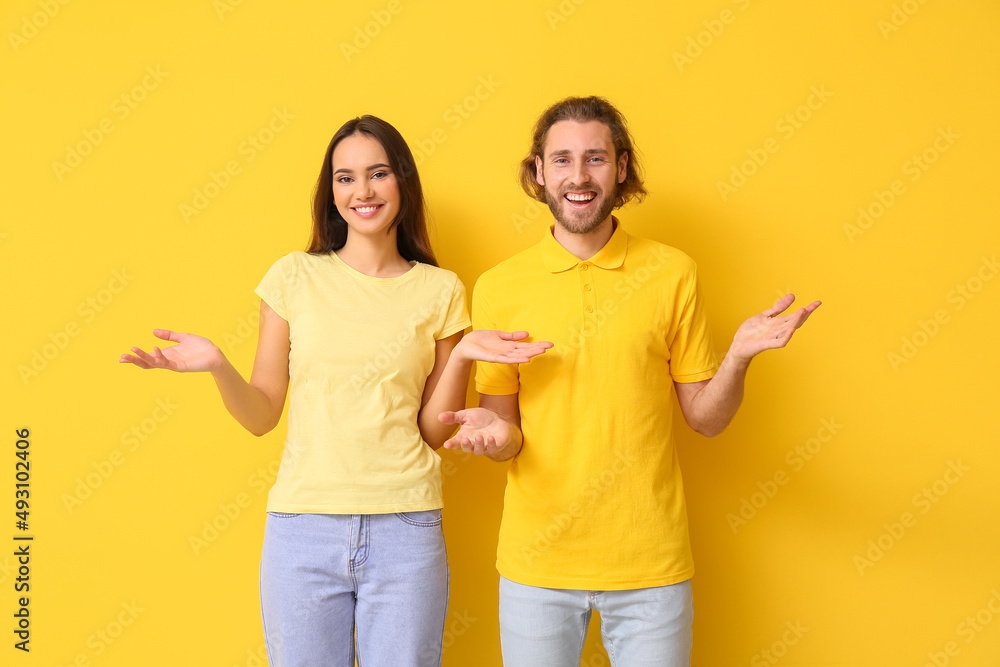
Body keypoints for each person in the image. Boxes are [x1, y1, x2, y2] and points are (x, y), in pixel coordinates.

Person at [120, 115, 550, 667]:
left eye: (378, 174)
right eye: (345, 178)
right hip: (303, 531)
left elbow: (432, 433)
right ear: (331, 192)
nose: (362, 191)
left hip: (406, 529)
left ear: (403, 184)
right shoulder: (293, 277)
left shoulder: (440, 291)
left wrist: (463, 353)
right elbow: (261, 415)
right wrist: (218, 366)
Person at [440, 96, 821, 666]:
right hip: (537, 565)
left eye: (595, 158)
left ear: (621, 169)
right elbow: (510, 434)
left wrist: (739, 355)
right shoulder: (499, 286)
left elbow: (706, 419)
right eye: (562, 159)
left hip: (652, 566)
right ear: (539, 172)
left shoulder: (673, 272)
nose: (578, 175)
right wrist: (492, 434)